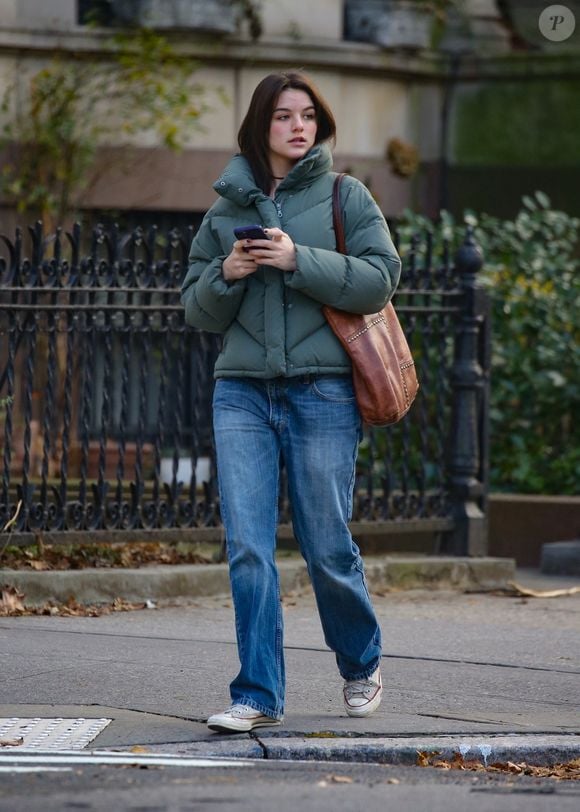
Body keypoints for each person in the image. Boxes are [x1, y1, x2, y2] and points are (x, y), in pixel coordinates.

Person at [181, 70, 401, 734]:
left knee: (326, 544)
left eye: (308, 115)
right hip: (242, 392)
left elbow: (381, 277)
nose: (298, 126)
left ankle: (361, 663)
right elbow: (197, 310)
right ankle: (257, 693)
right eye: (283, 116)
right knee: (248, 546)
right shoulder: (225, 211)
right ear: (260, 125)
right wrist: (228, 273)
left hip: (323, 391)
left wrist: (296, 258)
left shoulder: (345, 194)